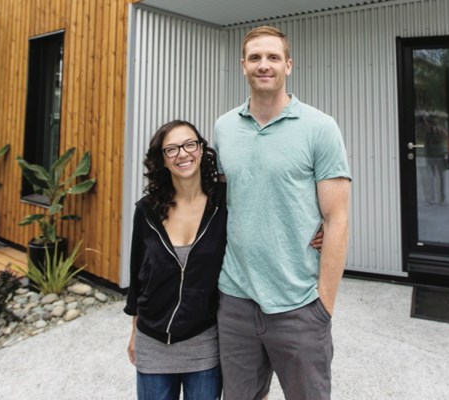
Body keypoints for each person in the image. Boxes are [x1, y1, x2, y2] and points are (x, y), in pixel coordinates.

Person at [213, 25, 352, 400]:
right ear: (242, 65)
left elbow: (337, 218)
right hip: (236, 301)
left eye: (273, 57)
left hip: (299, 305)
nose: (264, 65)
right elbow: (226, 203)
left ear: (288, 65)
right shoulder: (224, 128)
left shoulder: (320, 128)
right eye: (255, 57)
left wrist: (324, 303)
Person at [125, 120, 226, 400]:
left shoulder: (222, 203)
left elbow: (267, 204)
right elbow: (137, 277)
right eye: (171, 149)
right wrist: (134, 332)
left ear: (201, 149)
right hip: (153, 343)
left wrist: (316, 228)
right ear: (163, 160)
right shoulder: (146, 211)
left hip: (203, 344)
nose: (183, 154)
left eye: (189, 144)